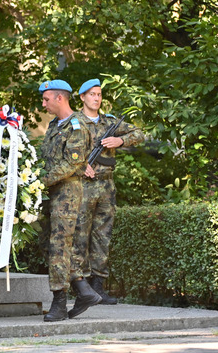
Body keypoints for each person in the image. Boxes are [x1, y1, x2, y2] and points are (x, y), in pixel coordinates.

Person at [73, 78, 145, 305]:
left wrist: (120, 140)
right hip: (82, 185)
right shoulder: (73, 121)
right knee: (80, 235)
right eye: (92, 94)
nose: (96, 98)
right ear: (82, 97)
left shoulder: (110, 122)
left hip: (106, 186)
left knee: (102, 236)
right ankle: (81, 286)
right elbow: (60, 149)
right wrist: (79, 165)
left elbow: (139, 134)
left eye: (99, 94)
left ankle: (98, 286)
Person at [37, 80, 101, 322]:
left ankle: (59, 302)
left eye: (46, 99)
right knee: (50, 244)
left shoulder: (77, 126)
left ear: (59, 98)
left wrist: (40, 181)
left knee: (58, 245)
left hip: (66, 193)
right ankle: (83, 290)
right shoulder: (56, 124)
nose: (44, 104)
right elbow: (48, 157)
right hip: (52, 191)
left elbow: (72, 164)